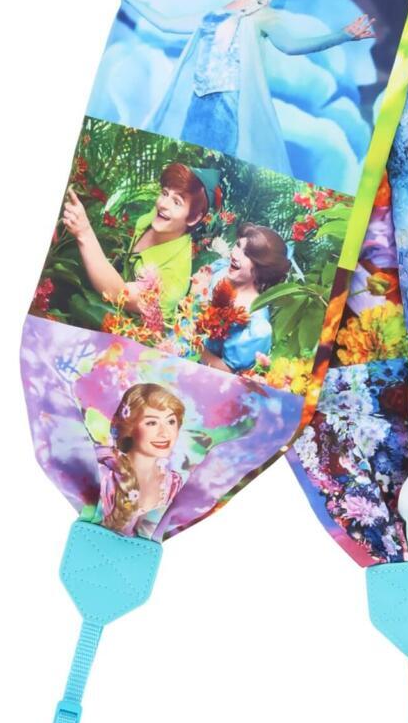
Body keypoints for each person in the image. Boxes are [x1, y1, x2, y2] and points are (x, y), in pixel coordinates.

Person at [118, 0, 375, 177]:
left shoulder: (265, 16)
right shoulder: (217, 11)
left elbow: (291, 46)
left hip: (228, 104)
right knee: (182, 166)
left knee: (210, 170)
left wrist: (343, 36)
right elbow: (166, 24)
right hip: (198, 101)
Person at [61, 164, 221, 324]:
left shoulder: (174, 279)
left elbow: (119, 294)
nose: (163, 204)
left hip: (127, 328)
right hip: (111, 285)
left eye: (177, 202)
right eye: (165, 193)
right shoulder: (161, 216)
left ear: (194, 218)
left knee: (75, 303)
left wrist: (84, 232)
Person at [193, 224, 292, 373]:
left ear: (262, 269)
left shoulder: (256, 324)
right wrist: (197, 292)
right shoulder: (220, 269)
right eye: (238, 245)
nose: (236, 254)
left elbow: (227, 373)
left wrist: (193, 343)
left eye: (247, 254)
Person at [95, 383, 187, 537]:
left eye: (171, 421)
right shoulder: (106, 475)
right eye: (151, 423)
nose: (164, 433)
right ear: (130, 428)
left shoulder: (173, 483)